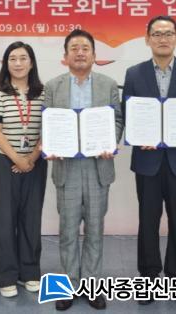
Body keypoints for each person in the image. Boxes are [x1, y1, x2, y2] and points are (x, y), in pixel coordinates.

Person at [122, 15, 176, 308]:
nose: (163, 38)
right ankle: (148, 279)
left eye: (168, 33)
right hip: (147, 160)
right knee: (148, 221)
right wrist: (138, 135)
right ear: (147, 38)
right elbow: (129, 111)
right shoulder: (134, 73)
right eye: (157, 34)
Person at [43, 29, 122, 311]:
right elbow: (46, 122)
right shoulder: (52, 86)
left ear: (94, 54)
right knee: (67, 230)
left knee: (95, 230)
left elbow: (117, 120)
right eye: (74, 48)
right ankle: (67, 286)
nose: (80, 53)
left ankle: (91, 285)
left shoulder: (107, 84)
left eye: (85, 48)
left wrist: (110, 142)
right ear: (65, 56)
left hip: (98, 166)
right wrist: (49, 144)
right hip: (66, 166)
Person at [0, 41, 47, 298]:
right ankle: (6, 276)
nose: (18, 63)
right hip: (4, 161)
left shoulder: (44, 93)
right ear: (6, 63)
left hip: (36, 161)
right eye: (13, 58)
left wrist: (31, 157)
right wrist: (17, 158)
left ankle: (29, 273)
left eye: (23, 58)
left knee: (31, 219)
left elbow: (48, 128)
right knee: (4, 220)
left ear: (31, 63)